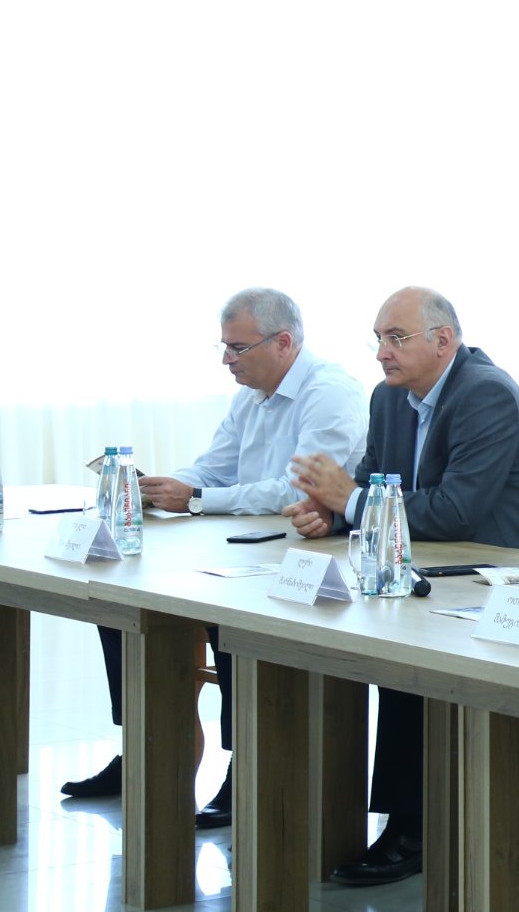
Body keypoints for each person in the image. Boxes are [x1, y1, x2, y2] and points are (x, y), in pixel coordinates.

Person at [286, 287, 519, 885]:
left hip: (510, 576)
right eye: (378, 339)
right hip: (438, 571)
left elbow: (456, 512)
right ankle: (333, 814)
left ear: (444, 341)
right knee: (356, 633)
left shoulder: (486, 394)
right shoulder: (389, 398)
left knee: (406, 651)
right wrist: (331, 515)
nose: (381, 353)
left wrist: (352, 502)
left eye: (396, 338)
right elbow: (372, 486)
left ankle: (413, 828)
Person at [60, 287, 367, 830]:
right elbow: (213, 468)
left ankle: (245, 762)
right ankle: (146, 744)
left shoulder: (330, 393)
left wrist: (198, 499)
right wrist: (167, 487)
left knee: (230, 615)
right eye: (224, 347)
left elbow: (295, 492)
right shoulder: (250, 395)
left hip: (310, 552)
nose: (227, 360)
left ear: (283, 343)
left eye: (238, 348)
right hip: (250, 545)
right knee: (123, 598)